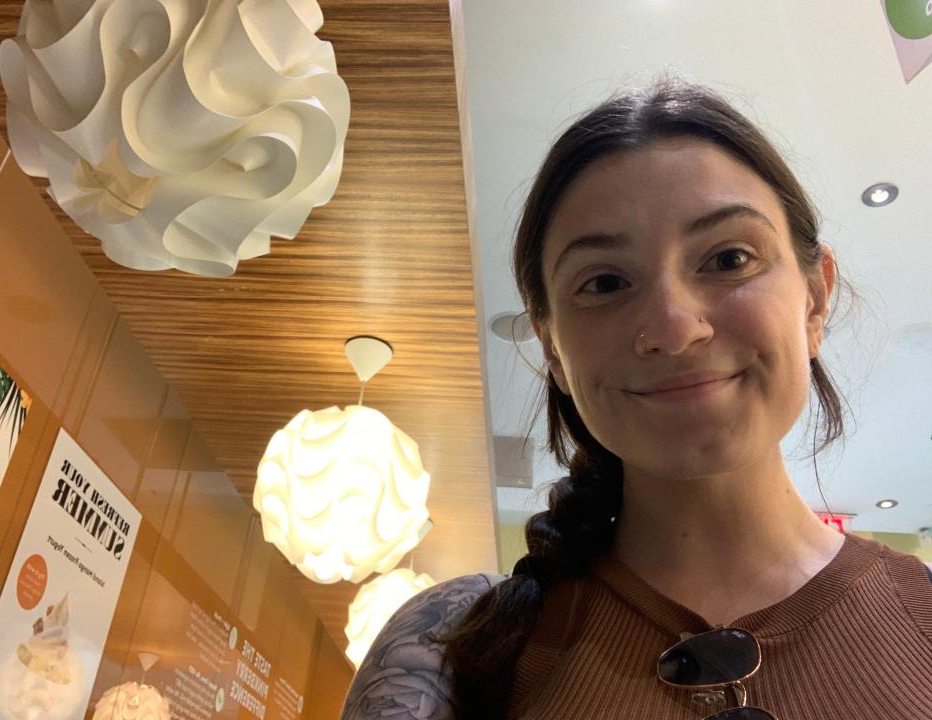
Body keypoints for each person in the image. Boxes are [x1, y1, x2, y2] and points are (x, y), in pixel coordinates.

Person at [340, 80, 932, 720]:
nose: (676, 329)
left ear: (815, 299)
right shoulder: (446, 651)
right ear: (553, 351)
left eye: (729, 258)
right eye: (604, 282)